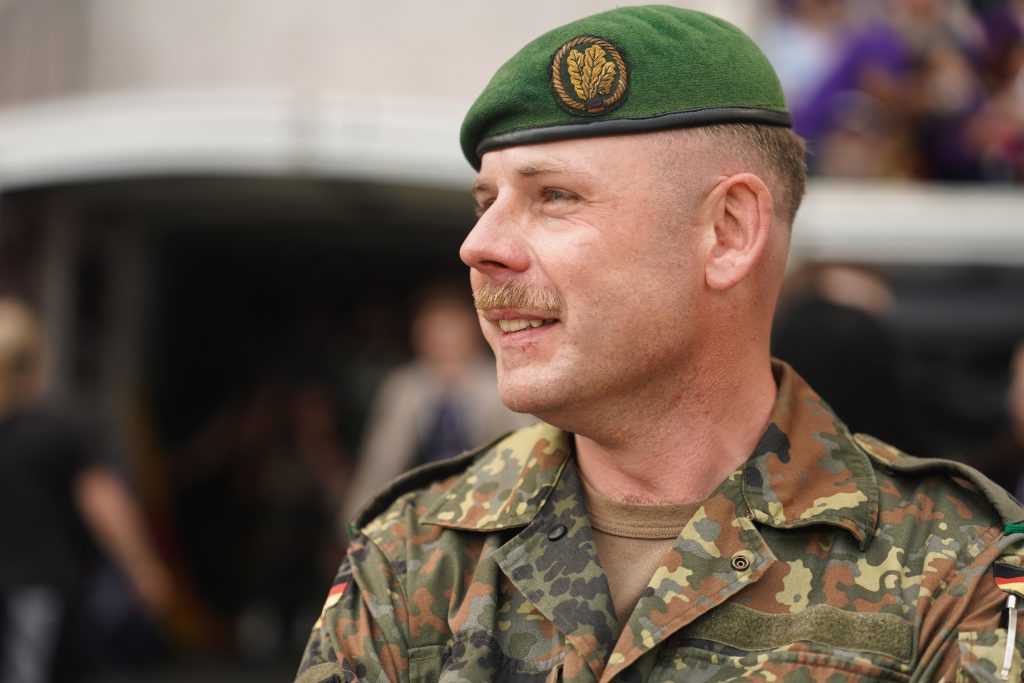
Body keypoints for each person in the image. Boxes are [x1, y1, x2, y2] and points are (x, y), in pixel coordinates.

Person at [296, 7, 1024, 682]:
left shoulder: (956, 568)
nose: (477, 246)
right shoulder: (414, 551)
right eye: (486, 203)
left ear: (728, 232)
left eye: (554, 196)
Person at [0, 298, 172, 683]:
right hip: (35, 591)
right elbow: (103, 500)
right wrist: (143, 567)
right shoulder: (50, 432)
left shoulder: (44, 433)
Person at [342, 286, 532, 524]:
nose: (442, 339)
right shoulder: (404, 386)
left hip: (492, 501)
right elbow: (382, 459)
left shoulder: (497, 379)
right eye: (432, 329)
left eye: (451, 328)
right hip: (419, 507)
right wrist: (357, 517)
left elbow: (526, 444)